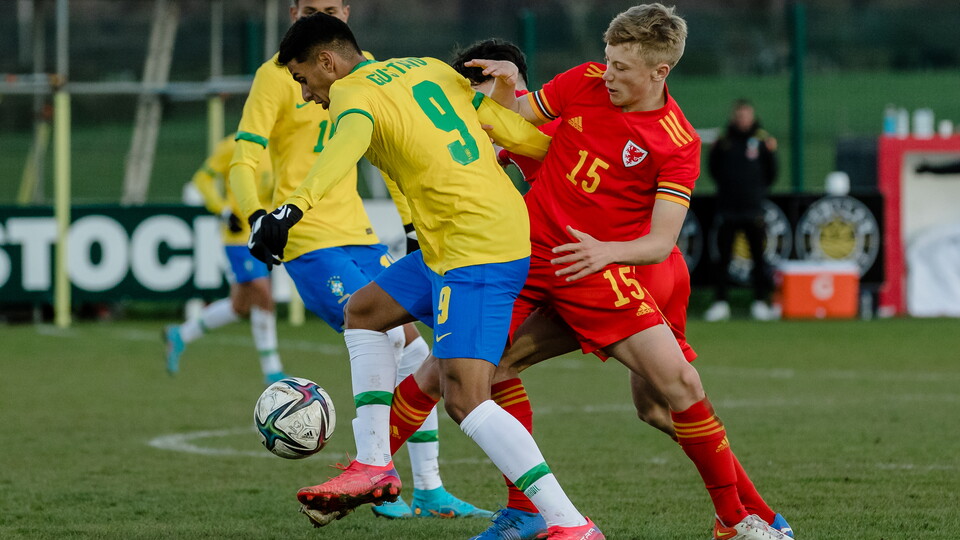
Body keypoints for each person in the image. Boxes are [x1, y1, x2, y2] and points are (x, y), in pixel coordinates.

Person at [388, 6, 792, 539]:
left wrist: (606, 252)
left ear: (659, 71)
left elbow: (660, 243)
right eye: (608, 60)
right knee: (461, 371)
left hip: (618, 269)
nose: (609, 74)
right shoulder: (582, 83)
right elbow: (514, 119)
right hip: (534, 256)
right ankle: (384, 473)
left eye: (623, 66)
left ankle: (743, 516)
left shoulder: (677, 142)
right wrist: (503, 93)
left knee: (663, 398)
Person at [250, 12, 604, 539]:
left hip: (475, 245)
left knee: (466, 397)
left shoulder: (351, 93)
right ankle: (373, 465)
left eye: (303, 79)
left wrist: (289, 209)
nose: (304, 95)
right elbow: (514, 132)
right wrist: (579, 159)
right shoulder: (430, 69)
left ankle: (569, 523)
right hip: (452, 239)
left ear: (327, 61)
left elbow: (341, 149)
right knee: (365, 312)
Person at [228, 0, 490, 524]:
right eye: (309, 7)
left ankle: (429, 489)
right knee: (394, 339)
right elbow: (245, 154)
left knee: (418, 353)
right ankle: (379, 477)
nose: (319, 14)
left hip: (364, 237)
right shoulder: (278, 75)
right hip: (308, 238)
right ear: (293, 10)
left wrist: (411, 226)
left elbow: (391, 157)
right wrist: (256, 214)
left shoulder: (370, 69)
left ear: (345, 12)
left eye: (329, 8)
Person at [163, 134, 287, 386]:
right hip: (238, 237)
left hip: (262, 235)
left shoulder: (279, 146)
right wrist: (222, 209)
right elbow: (202, 179)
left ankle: (180, 334)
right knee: (264, 295)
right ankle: (272, 369)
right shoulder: (233, 146)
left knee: (239, 307)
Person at [703, 99, 779, 322]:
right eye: (739, 115)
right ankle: (720, 303)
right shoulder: (724, 141)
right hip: (727, 209)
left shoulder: (763, 141)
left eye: (746, 115)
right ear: (734, 116)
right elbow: (713, 169)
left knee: (758, 257)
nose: (743, 119)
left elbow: (772, 172)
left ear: (752, 116)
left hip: (753, 209)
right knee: (723, 257)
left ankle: (759, 302)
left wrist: (755, 192)